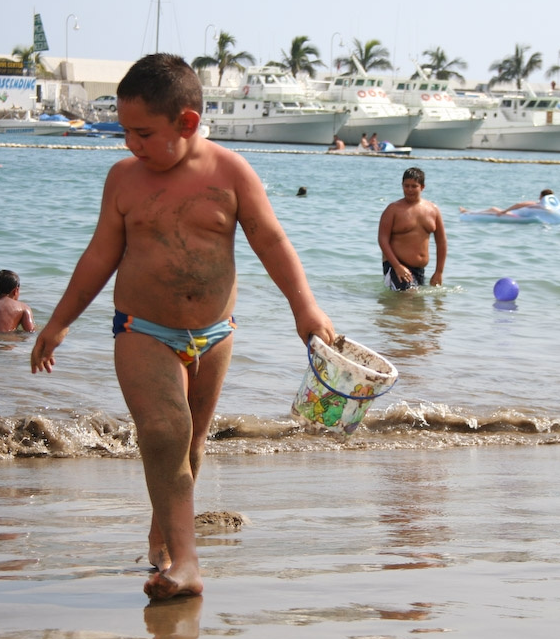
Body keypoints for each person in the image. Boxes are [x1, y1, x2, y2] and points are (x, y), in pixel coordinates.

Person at [29, 53, 334, 600]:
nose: (131, 144)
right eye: (125, 131)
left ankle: (166, 538)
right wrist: (59, 321)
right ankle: (188, 565)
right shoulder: (124, 180)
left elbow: (271, 241)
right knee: (164, 432)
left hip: (215, 333)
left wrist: (304, 307)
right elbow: (99, 255)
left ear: (187, 122)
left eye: (143, 133)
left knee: (190, 446)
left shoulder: (231, 173)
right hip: (142, 329)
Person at [378, 166, 447, 291]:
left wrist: (439, 271)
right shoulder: (393, 209)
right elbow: (383, 240)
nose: (409, 189)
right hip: (395, 266)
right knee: (409, 295)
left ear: (422, 187)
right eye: (406, 186)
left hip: (419, 270)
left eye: (414, 186)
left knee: (419, 301)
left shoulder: (433, 210)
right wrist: (397, 266)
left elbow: (441, 242)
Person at [459, 188, 556, 216]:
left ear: (541, 196)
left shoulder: (535, 204)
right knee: (494, 210)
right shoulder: (548, 207)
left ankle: (468, 213)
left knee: (493, 209)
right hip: (520, 215)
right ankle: (469, 212)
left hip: (516, 216)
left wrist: (504, 211)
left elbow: (519, 204)